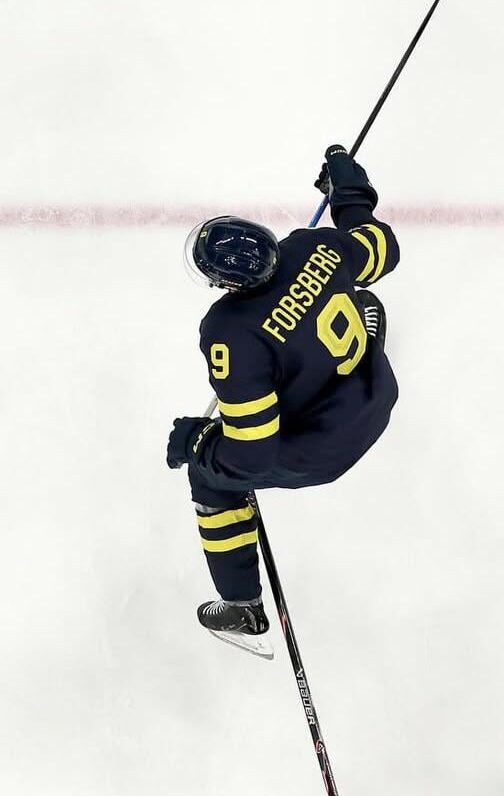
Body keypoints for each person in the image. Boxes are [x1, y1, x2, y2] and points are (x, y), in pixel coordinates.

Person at [166, 146, 400, 656]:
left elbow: (253, 455)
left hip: (327, 444)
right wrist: (350, 196)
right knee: (362, 297)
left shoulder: (230, 333)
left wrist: (200, 444)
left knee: (211, 477)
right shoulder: (316, 245)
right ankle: (351, 343)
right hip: (375, 389)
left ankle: (243, 607)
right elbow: (383, 247)